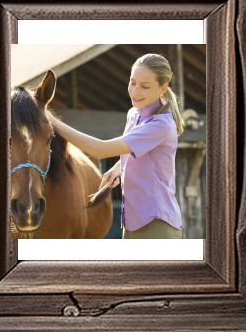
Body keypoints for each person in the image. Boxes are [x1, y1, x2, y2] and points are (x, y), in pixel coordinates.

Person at [48, 53, 184, 239]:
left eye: (145, 86)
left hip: (157, 224)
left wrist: (53, 122)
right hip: (132, 221)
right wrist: (118, 167)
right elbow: (135, 149)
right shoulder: (133, 114)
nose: (135, 91)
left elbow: (101, 150)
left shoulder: (160, 125)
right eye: (132, 82)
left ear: (163, 88)